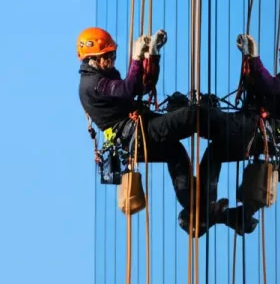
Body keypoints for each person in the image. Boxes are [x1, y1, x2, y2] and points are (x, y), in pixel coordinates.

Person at [77, 27, 226, 235]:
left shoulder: (103, 76)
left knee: (176, 153)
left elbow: (140, 87)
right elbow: (128, 89)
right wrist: (137, 58)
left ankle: (197, 205)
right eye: (108, 55)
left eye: (113, 54)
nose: (112, 59)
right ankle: (232, 130)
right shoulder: (93, 84)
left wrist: (152, 55)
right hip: (138, 134)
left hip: (136, 135)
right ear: (94, 59)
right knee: (192, 116)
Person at [197, 30, 280, 234]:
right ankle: (215, 210)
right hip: (256, 133)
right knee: (215, 153)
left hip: (256, 131)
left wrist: (253, 59)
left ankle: (216, 212)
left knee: (204, 119)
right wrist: (250, 69)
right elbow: (266, 88)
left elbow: (271, 86)